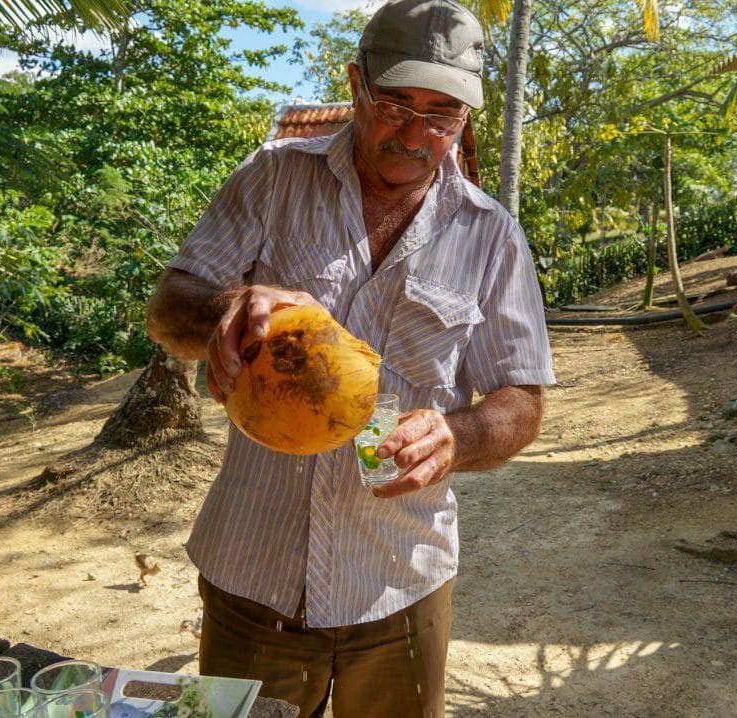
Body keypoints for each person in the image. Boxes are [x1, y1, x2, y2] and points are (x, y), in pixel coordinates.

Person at [145, 0, 555, 714]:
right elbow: (168, 307)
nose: (415, 134)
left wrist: (458, 437)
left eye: (443, 114)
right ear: (356, 83)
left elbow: (521, 401)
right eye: (396, 103)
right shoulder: (273, 178)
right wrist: (224, 312)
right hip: (253, 573)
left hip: (401, 582)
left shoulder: (490, 236)